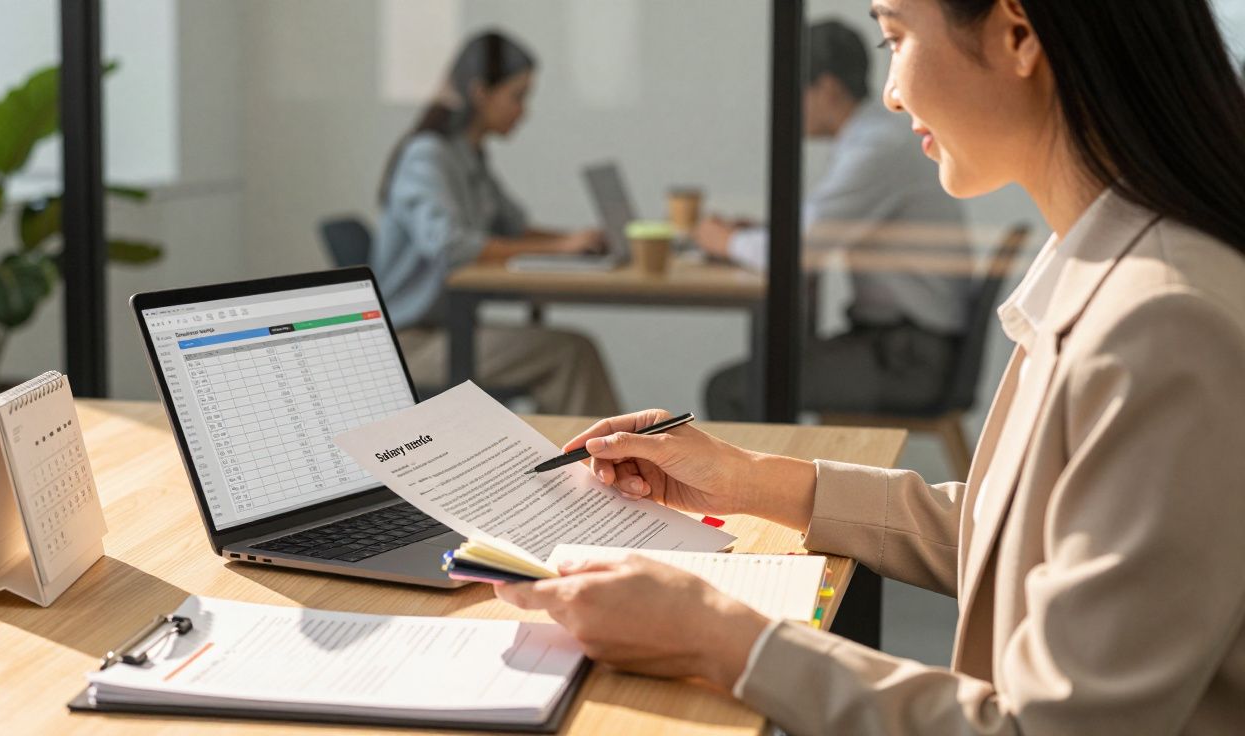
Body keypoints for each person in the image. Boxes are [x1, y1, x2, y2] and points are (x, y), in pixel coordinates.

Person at [497, 1, 1245, 732]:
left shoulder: (1162, 323)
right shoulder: (1110, 269)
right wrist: (747, 478)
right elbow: (1014, 531)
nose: (888, 92)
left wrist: (716, 636)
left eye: (895, 36)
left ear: (1017, 33)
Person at [697, 20, 971, 420]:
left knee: (734, 389)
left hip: (907, 359)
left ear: (826, 88)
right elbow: (816, 230)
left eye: (794, 92)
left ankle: (763, 484)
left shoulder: (877, 149)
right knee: (768, 374)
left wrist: (723, 241)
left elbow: (801, 249)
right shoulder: (871, 140)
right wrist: (756, 234)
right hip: (900, 345)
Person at [375, 30, 620, 416]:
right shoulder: (428, 156)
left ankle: (593, 467)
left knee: (570, 350)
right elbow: (452, 246)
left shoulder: (468, 154)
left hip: (450, 330)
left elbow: (513, 228)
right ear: (480, 93)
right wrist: (560, 248)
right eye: (517, 96)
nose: (524, 111)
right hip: (409, 344)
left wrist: (575, 240)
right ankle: (603, 471)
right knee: (571, 353)